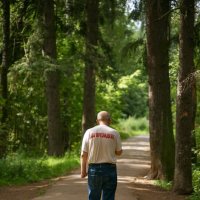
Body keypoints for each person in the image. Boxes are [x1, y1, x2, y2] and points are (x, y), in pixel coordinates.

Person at [81, 111, 122, 200]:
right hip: (110, 169)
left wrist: (83, 171)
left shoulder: (89, 132)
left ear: (97, 121)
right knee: (109, 197)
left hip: (94, 169)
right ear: (109, 120)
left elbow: (84, 154)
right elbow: (119, 152)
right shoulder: (114, 133)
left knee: (93, 198)